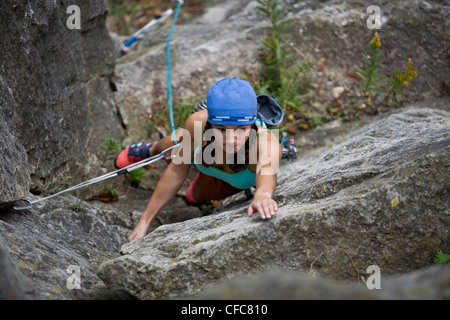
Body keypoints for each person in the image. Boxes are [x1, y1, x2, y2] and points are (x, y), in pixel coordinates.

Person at [115, 77, 283, 242]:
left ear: (253, 124)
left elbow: (267, 172)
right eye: (221, 129)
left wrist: (263, 195)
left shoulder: (266, 143)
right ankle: (151, 148)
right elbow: (176, 170)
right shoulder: (198, 123)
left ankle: (201, 175)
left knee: (193, 197)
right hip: (201, 152)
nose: (231, 140)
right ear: (210, 123)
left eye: (241, 129)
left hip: (227, 179)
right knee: (175, 147)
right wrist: (144, 222)